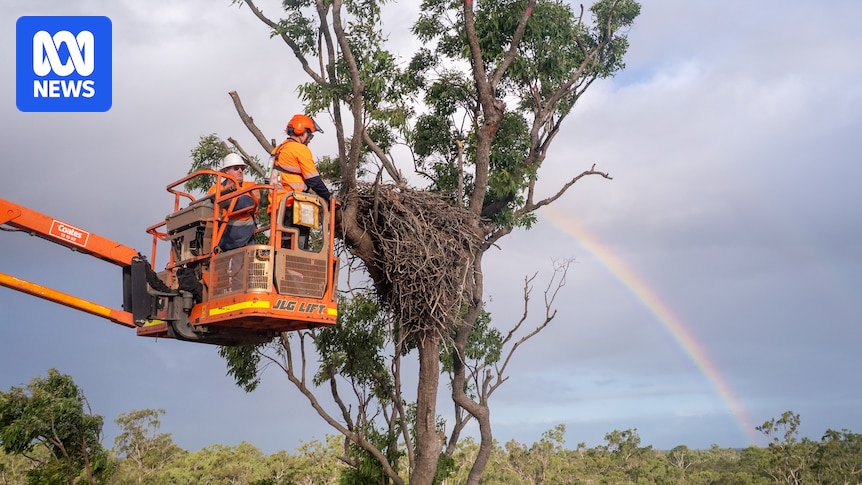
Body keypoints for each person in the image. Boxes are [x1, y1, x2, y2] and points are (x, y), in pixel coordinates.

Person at [269, 114, 332, 249]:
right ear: (302, 131)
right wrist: (329, 198)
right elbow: (313, 179)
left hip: (277, 205)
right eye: (310, 135)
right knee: (297, 249)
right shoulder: (300, 149)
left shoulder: (279, 149)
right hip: (293, 205)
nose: (310, 139)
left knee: (281, 247)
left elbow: (291, 178)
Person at [207, 152, 259, 251]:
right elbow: (208, 207)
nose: (240, 171)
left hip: (244, 235)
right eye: (236, 168)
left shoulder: (250, 186)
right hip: (223, 238)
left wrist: (226, 201)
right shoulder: (215, 189)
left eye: (242, 169)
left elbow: (248, 203)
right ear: (226, 171)